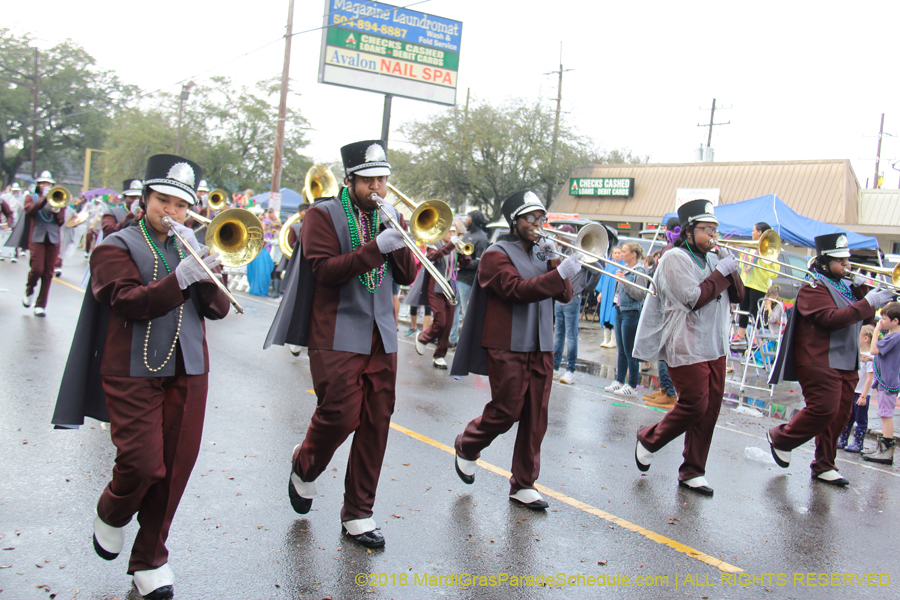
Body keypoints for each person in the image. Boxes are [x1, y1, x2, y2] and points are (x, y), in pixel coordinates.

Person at [51, 154, 230, 599]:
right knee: (142, 462)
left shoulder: (194, 245)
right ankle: (113, 511)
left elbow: (219, 309)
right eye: (162, 201)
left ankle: (151, 559)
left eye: (180, 205)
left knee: (174, 472)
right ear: (144, 199)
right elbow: (125, 300)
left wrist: (206, 274)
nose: (171, 212)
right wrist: (180, 278)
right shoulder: (116, 245)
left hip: (189, 368)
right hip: (133, 368)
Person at [263, 140, 416, 549]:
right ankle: (304, 462)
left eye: (383, 179)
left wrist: (396, 237)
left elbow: (408, 275)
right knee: (340, 415)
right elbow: (325, 270)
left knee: (376, 422)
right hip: (335, 332)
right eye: (369, 180)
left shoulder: (390, 216)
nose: (378, 188)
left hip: (382, 332)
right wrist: (374, 249)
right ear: (350, 180)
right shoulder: (322, 215)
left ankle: (359, 514)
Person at [451, 189, 578, 510]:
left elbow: (564, 295)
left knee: (537, 415)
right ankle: (468, 444)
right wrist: (557, 272)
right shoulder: (497, 253)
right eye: (531, 218)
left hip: (541, 344)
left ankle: (524, 483)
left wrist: (555, 261)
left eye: (541, 218)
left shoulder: (542, 253)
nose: (538, 224)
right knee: (506, 410)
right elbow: (516, 289)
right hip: (507, 341)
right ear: (515, 220)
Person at [631, 200, 745, 496]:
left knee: (711, 408)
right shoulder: (674, 258)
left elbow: (740, 296)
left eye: (715, 229)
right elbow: (693, 298)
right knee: (695, 402)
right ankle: (649, 438)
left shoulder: (712, 258)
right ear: (689, 230)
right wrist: (721, 271)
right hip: (685, 342)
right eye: (707, 229)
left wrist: (732, 269)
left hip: (715, 344)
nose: (713, 235)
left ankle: (693, 470)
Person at [767, 233, 890, 487]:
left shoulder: (845, 287)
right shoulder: (813, 286)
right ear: (824, 262)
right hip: (818, 360)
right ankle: (781, 437)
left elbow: (861, 321)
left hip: (846, 359)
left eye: (848, 260)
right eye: (841, 261)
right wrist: (868, 302)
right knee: (824, 409)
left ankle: (824, 463)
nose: (847, 266)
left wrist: (863, 291)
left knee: (841, 415)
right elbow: (830, 319)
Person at [414, 224, 469, 368]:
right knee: (441, 321)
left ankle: (439, 355)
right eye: (449, 231)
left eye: (454, 231)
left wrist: (463, 253)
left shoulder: (455, 247)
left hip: (451, 287)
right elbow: (432, 257)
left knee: (449, 324)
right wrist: (451, 245)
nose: (452, 234)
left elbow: (465, 263)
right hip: (436, 287)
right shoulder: (435, 244)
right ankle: (423, 338)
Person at [603, 242, 649, 396]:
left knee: (630, 351)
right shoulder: (625, 269)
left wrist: (624, 281)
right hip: (621, 310)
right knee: (621, 350)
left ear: (633, 254)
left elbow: (640, 295)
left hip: (631, 312)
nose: (622, 254)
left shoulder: (640, 271)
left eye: (624, 252)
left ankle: (633, 385)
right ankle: (620, 381)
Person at [21, 171, 66, 317]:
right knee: (37, 269)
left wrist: (58, 209)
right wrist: (43, 199)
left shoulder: (59, 197)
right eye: (43, 183)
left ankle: (41, 305)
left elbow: (60, 221)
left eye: (49, 184)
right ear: (38, 185)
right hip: (37, 237)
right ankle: (29, 291)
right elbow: (29, 211)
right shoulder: (31, 197)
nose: (46, 186)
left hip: (53, 239)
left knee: (48, 273)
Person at [862, 302, 900, 465]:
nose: (881, 321)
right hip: (887, 378)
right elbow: (882, 356)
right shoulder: (894, 336)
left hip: (888, 381)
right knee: (885, 414)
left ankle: (886, 451)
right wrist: (872, 359)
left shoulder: (895, 336)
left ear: (895, 321)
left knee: (886, 416)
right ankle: (882, 449)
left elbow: (875, 349)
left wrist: (876, 330)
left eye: (884, 318)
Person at [552, 225, 590, 385]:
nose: (558, 240)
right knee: (559, 335)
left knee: (571, 336)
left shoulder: (578, 253)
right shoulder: (559, 250)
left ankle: (570, 371)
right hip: (559, 299)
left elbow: (597, 270)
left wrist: (584, 288)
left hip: (572, 299)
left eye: (561, 237)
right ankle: (554, 368)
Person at [449, 210, 490, 347]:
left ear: (474, 219)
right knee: (453, 308)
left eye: (468, 217)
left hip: (469, 280)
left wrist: (463, 264)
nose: (466, 220)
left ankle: (466, 343)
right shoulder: (468, 235)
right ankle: (453, 339)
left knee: (467, 313)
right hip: (459, 277)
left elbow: (481, 262)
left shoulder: (482, 238)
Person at [734, 222, 777, 345]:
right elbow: (744, 266)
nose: (752, 233)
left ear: (759, 233)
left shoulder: (768, 250)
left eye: (753, 231)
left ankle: (754, 337)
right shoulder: (750, 248)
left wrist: (768, 260)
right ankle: (741, 336)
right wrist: (740, 254)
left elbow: (773, 272)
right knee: (743, 308)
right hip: (746, 283)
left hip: (758, 285)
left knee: (754, 310)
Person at [839, 324, 875, 453]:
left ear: (866, 338)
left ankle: (858, 443)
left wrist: (864, 396)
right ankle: (842, 439)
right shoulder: (856, 353)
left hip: (861, 394)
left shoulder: (870, 357)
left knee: (860, 419)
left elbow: (869, 378)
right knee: (848, 417)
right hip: (852, 391)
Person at [597, 246, 623, 348]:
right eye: (615, 253)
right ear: (612, 254)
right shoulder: (608, 266)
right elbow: (603, 280)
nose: (617, 255)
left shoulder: (623, 266)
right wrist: (600, 293)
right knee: (605, 316)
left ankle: (613, 340)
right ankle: (606, 339)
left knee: (613, 316)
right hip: (606, 295)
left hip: (615, 296)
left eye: (619, 252)